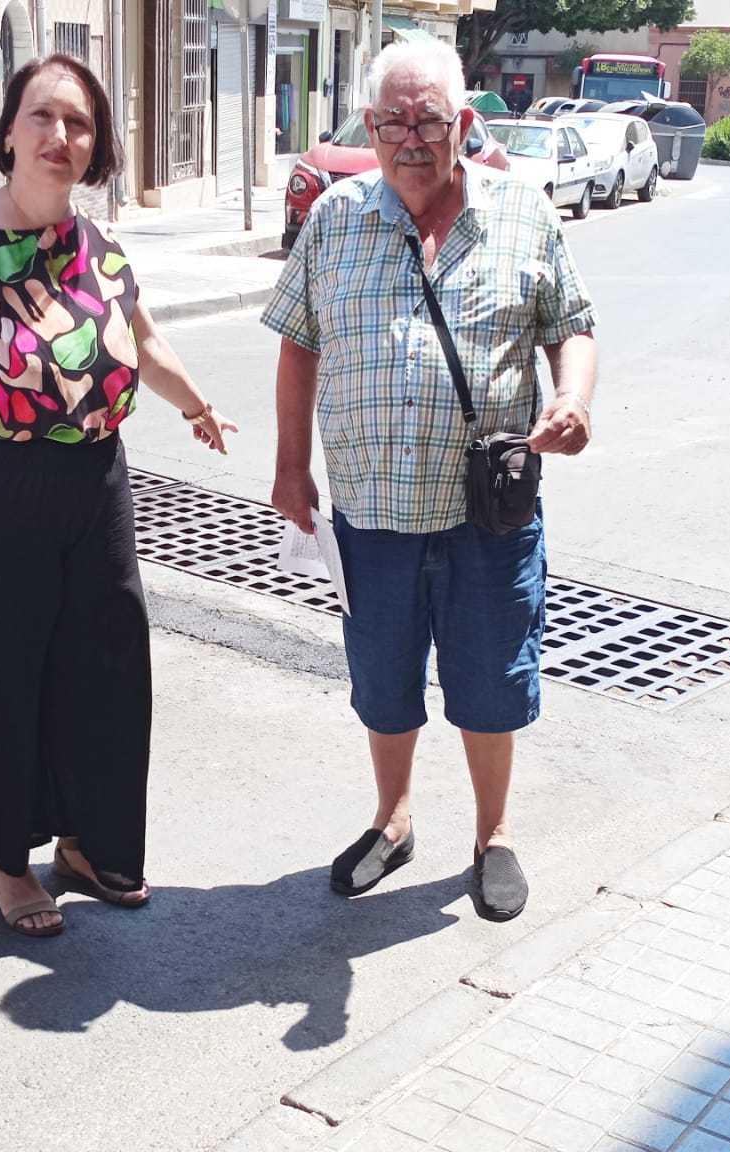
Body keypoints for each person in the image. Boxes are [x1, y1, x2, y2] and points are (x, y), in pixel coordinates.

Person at [0, 54, 237, 938]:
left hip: (97, 486)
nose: (59, 137)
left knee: (108, 663)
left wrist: (195, 402)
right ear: (8, 130)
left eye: (78, 124)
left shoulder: (99, 245)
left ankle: (89, 842)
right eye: (42, 117)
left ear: (96, 146)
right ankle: (7, 862)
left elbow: (144, 339)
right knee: (7, 677)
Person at [262, 40, 597, 923]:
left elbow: (574, 325)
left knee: (490, 679)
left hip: (488, 512)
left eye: (430, 120)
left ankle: (492, 835)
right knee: (383, 679)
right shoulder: (335, 219)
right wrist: (290, 466)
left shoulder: (523, 212)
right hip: (371, 508)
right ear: (371, 127)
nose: (412, 137)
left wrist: (572, 397)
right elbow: (299, 347)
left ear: (463, 125)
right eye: (394, 121)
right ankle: (394, 819)